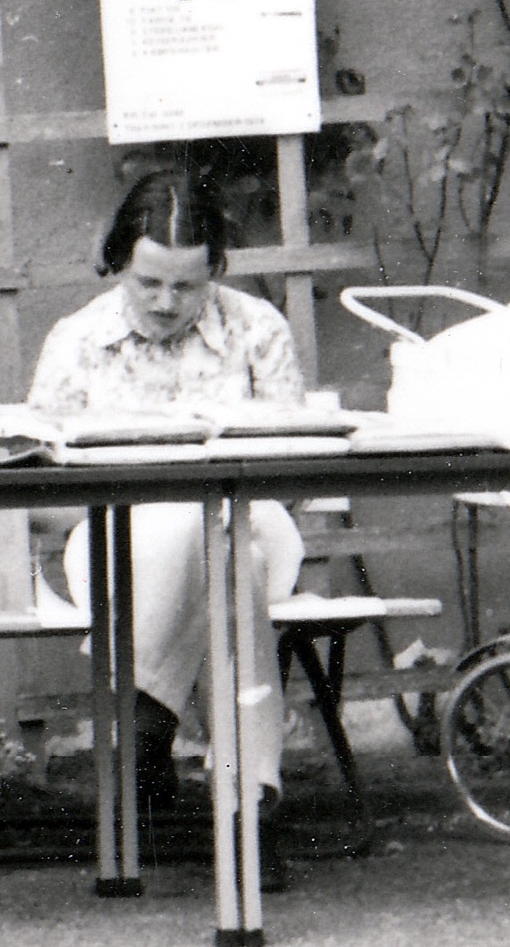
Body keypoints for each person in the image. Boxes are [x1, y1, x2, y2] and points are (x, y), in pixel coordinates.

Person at [28, 169, 312, 885]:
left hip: (252, 524)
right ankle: (249, 807)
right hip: (115, 546)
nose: (165, 302)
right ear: (119, 260)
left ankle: (143, 715)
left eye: (186, 286)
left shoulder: (259, 331)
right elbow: (42, 496)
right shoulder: (77, 340)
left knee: (219, 525)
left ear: (216, 270)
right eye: (148, 282)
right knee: (217, 556)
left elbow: (295, 476)